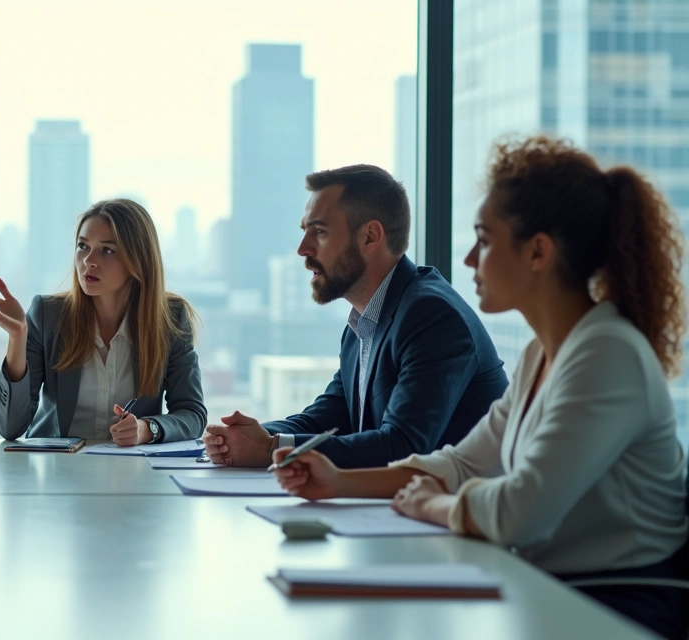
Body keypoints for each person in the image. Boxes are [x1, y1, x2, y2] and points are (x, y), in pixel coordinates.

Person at [275, 136, 689, 639]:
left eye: (485, 241)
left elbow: (519, 513)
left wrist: (432, 505)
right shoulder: (542, 354)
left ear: (538, 252)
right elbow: (462, 464)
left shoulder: (607, 355)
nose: (470, 259)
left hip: (617, 607)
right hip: (550, 592)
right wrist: (339, 482)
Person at [203, 165, 508, 468]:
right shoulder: (362, 322)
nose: (302, 249)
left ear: (370, 237)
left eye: (319, 232)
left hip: (458, 499)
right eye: (305, 231)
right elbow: (328, 419)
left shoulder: (432, 315)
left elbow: (403, 446)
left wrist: (271, 448)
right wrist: (248, 436)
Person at [0, 198, 206, 445]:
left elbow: (193, 414)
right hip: (56, 465)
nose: (88, 261)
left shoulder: (170, 319)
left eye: (107, 250)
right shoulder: (48, 315)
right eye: (83, 246)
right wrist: (17, 337)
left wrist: (147, 429)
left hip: (129, 466)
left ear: (138, 260)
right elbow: (9, 427)